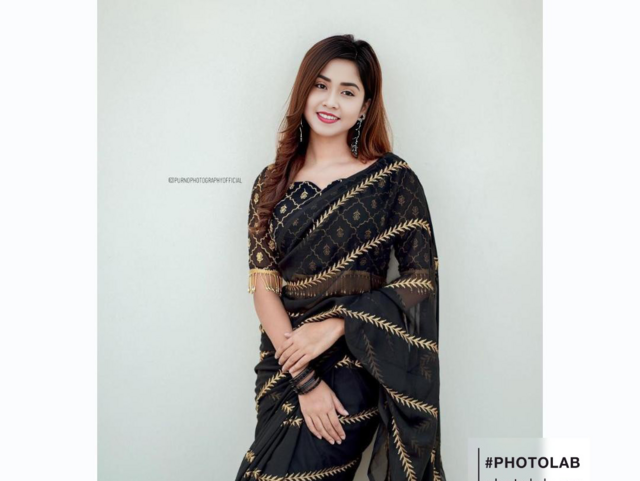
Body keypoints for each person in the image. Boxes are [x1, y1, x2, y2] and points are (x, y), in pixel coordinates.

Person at [236, 34, 446, 481]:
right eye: (321, 85)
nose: (331, 101)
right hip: (283, 366)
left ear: (365, 106)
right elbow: (264, 285)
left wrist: (337, 325)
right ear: (304, 90)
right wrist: (304, 379)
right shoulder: (269, 183)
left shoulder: (392, 180)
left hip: (352, 363)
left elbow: (420, 281)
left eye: (347, 92)